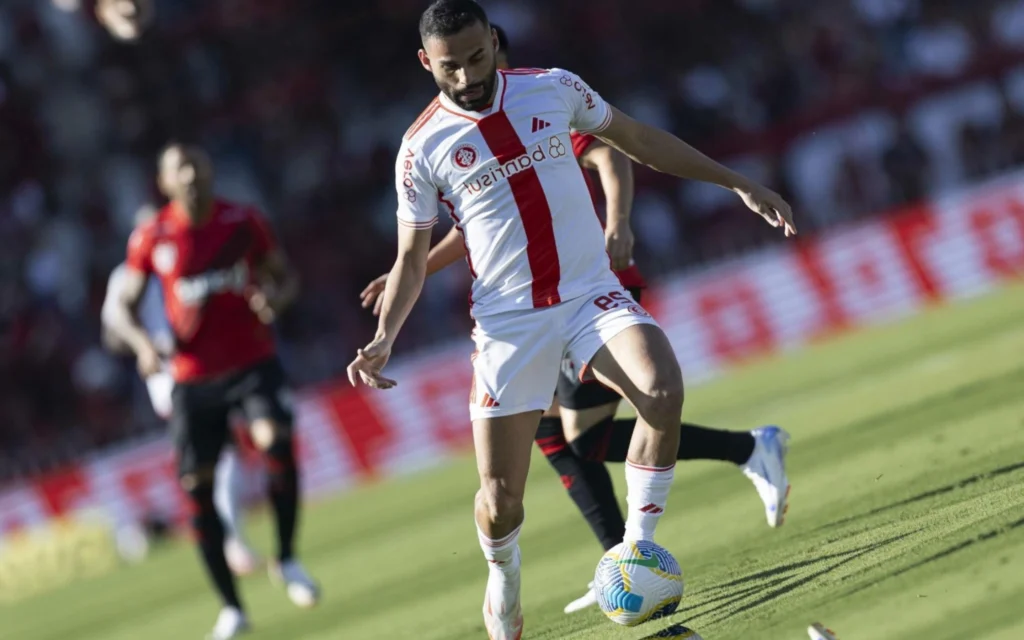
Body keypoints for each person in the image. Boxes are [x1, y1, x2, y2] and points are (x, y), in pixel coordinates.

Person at [346, 2, 797, 638]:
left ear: (493, 42)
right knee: (502, 501)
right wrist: (383, 338)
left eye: (477, 58)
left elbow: (636, 142)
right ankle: (502, 580)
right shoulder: (421, 148)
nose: (468, 75)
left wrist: (735, 182)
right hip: (509, 326)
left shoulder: (552, 88)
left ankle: (632, 552)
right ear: (427, 63)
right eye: (450, 67)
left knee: (662, 391)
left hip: (589, 295)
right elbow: (412, 259)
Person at [104, 143, 317, 640]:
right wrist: (142, 345)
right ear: (164, 183)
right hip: (192, 378)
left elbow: (286, 279)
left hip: (252, 363)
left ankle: (286, 558)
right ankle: (231, 607)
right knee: (196, 488)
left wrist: (275, 299)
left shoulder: (242, 222)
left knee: (276, 443)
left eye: (198, 168)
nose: (192, 177)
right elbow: (120, 309)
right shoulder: (152, 236)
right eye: (181, 171)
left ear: (210, 172)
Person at [102, 206, 264, 579]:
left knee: (222, 454)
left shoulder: (188, 257)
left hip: (210, 363)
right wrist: (147, 344)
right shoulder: (125, 278)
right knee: (221, 454)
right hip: (172, 377)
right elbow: (112, 334)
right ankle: (231, 542)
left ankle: (228, 539)